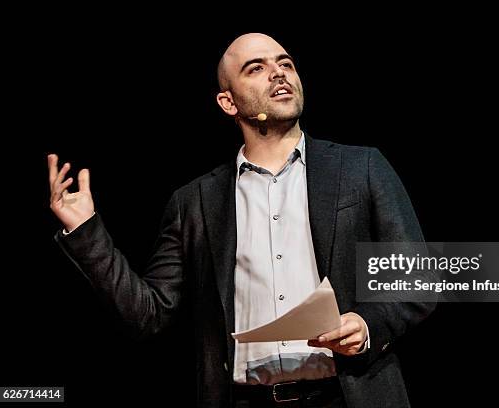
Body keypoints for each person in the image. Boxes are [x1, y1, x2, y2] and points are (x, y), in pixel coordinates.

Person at [47, 33, 434, 408]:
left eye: (286, 64)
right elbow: (149, 314)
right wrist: (85, 232)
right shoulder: (194, 202)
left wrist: (368, 326)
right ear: (227, 102)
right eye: (256, 68)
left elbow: (419, 279)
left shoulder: (361, 168)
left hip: (348, 395)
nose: (279, 73)